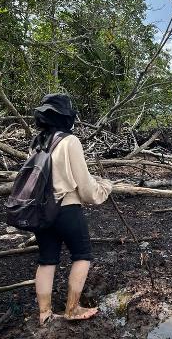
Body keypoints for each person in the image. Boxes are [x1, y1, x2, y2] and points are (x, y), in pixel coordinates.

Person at [31, 94, 112, 325]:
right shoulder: (70, 141)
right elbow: (86, 188)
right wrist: (105, 188)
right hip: (66, 208)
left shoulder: (36, 142)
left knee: (47, 260)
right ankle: (72, 308)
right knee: (82, 255)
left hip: (41, 211)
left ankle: (45, 314)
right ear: (66, 118)